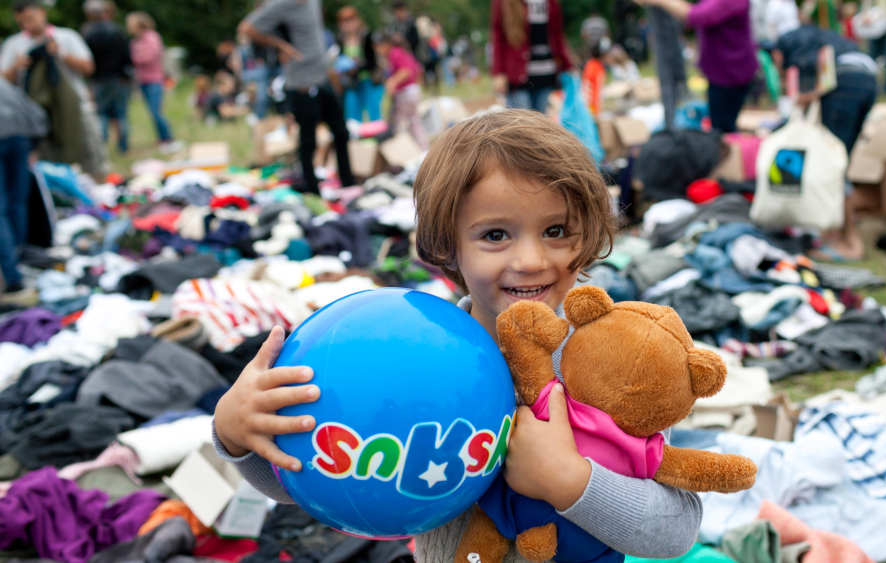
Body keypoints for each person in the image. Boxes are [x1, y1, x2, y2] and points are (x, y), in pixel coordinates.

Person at [212, 109, 703, 562]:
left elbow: (677, 529)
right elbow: (321, 475)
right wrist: (236, 435)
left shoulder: (613, 357)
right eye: (495, 235)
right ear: (448, 247)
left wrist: (571, 481)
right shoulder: (413, 359)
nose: (531, 259)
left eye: (556, 231)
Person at [773, 24, 879, 261]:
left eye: (774, 60)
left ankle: (844, 240)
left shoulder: (795, 46)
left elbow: (815, 88)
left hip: (846, 81)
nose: (777, 66)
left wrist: (800, 102)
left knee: (832, 165)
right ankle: (840, 224)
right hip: (868, 78)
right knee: (841, 158)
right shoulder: (817, 36)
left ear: (777, 52)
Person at [239, 0, 356, 194]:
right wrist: (280, 46)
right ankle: (312, 188)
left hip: (322, 76)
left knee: (341, 132)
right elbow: (247, 28)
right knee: (308, 139)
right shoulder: (281, 5)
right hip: (301, 80)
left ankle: (348, 183)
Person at [1, 0, 107, 179]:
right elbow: (4, 80)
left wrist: (61, 54)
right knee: (48, 162)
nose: (27, 24)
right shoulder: (15, 44)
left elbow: (89, 68)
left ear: (42, 12)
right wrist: (17, 67)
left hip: (75, 108)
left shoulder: (66, 36)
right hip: (36, 115)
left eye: (29, 18)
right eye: (21, 21)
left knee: (88, 157)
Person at [637, 0, 759, 133]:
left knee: (722, 128)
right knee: (721, 122)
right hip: (724, 71)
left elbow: (697, 15)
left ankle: (727, 149)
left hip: (731, 73)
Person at [0, 77, 47, 301]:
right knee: (16, 201)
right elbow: (36, 112)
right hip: (19, 138)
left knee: (3, 208)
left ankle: (13, 278)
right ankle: (20, 255)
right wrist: (34, 143)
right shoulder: (5, 85)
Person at [490, 0, 574, 113]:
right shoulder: (503, 2)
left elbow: (557, 36)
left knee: (539, 123)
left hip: (545, 73)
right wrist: (498, 72)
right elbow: (498, 38)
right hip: (517, 76)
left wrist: (567, 66)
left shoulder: (551, 3)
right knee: (521, 124)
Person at [125, 12, 182, 154]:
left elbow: (148, 57)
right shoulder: (135, 41)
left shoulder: (152, 37)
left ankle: (169, 139)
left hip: (155, 80)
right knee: (152, 112)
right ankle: (162, 139)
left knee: (156, 112)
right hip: (143, 81)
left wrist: (136, 58)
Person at [82, 0, 132, 154]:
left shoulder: (87, 33)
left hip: (99, 79)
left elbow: (87, 59)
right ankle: (123, 147)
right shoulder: (117, 30)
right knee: (121, 113)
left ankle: (102, 146)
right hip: (119, 78)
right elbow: (127, 55)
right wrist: (126, 74)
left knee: (101, 114)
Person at [373, 31, 428, 150]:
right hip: (412, 90)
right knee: (413, 122)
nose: (378, 49)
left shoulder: (394, 53)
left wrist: (392, 82)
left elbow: (406, 71)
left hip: (406, 92)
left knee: (401, 124)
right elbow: (417, 69)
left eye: (379, 45)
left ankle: (410, 151)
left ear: (387, 44)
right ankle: (422, 149)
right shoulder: (399, 53)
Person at [335, 6, 383, 123]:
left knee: (373, 111)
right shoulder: (341, 39)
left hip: (369, 79)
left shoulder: (366, 36)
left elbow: (373, 61)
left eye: (350, 20)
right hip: (351, 82)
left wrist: (357, 66)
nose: (348, 24)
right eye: (344, 21)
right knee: (352, 113)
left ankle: (375, 137)